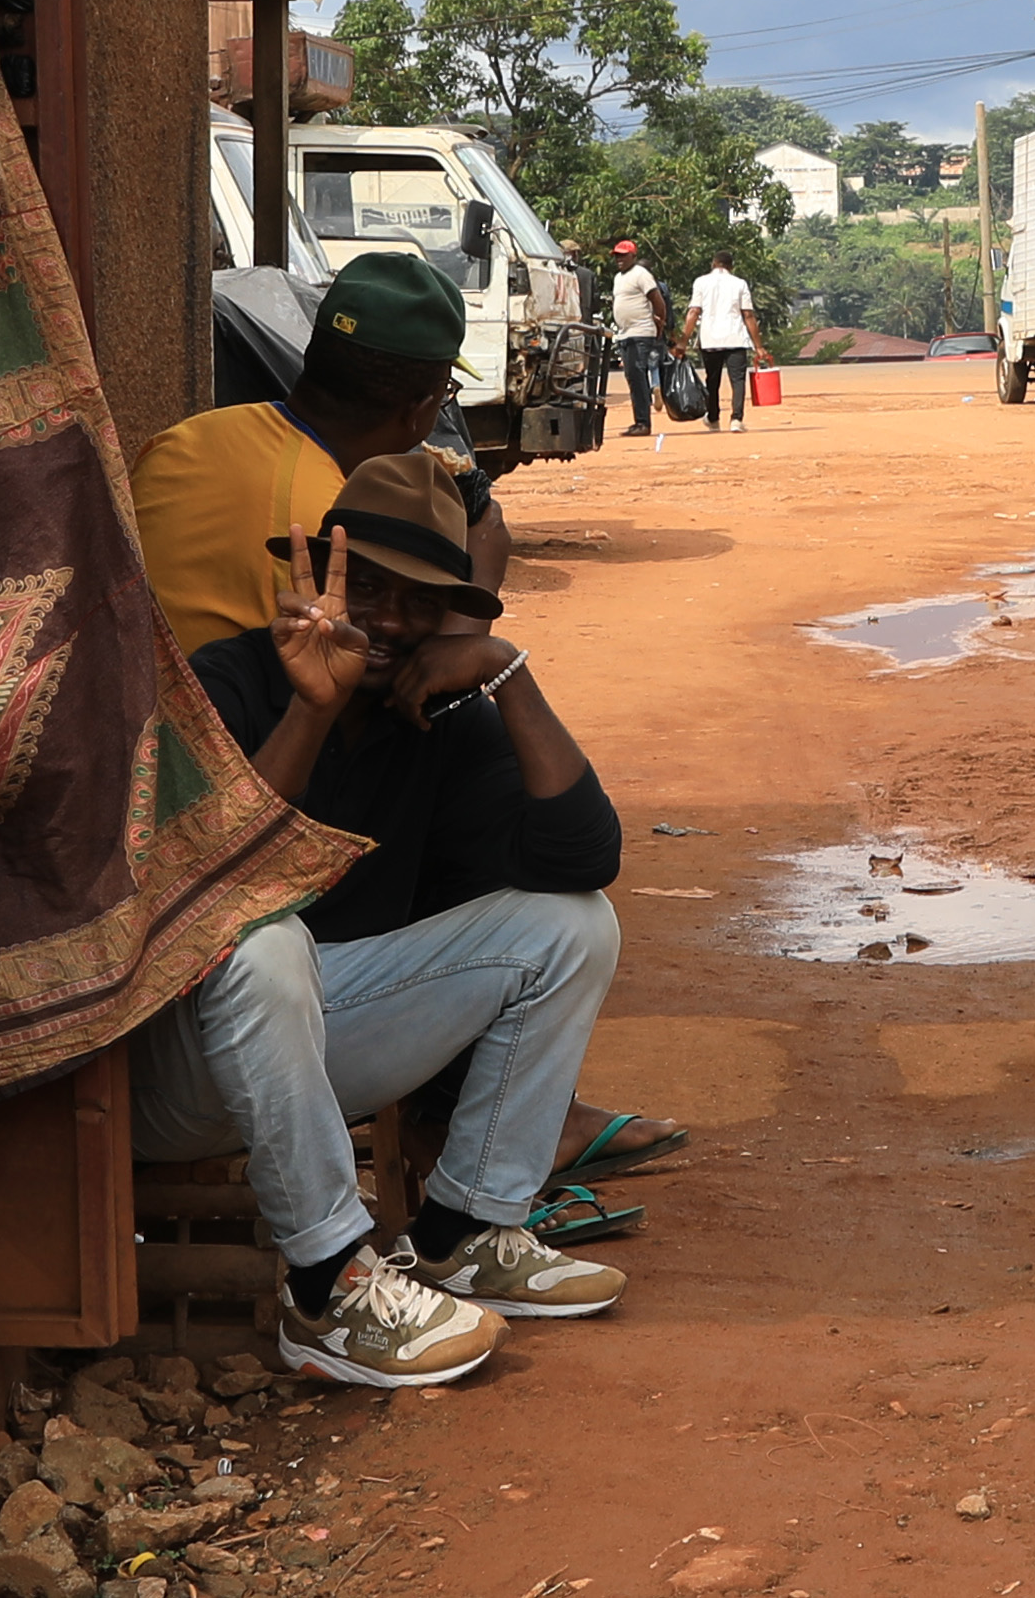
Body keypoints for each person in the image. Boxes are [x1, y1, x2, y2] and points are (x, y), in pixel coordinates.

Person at [130, 452, 628, 1390]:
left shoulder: (435, 714)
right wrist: (311, 711)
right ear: (316, 576)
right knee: (266, 939)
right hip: (171, 1062)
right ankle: (327, 1287)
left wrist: (507, 673)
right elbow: (215, 884)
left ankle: (466, 1230)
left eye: (420, 601)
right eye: (368, 589)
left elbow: (583, 856)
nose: (391, 621)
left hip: (314, 1051)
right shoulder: (228, 679)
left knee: (575, 925)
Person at [134, 246, 506, 660]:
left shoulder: (181, 440)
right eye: (446, 393)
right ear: (420, 409)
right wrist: (484, 565)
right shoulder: (336, 532)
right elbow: (401, 685)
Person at [687, 246, 764, 430]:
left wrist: (683, 341)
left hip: (710, 338)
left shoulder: (701, 282)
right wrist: (758, 346)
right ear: (731, 266)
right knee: (737, 380)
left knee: (712, 380)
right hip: (735, 337)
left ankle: (713, 418)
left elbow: (694, 311)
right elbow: (748, 315)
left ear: (713, 264)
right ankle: (736, 419)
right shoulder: (740, 284)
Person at [604, 238, 671, 438]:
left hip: (640, 332)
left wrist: (659, 323)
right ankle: (639, 420)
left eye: (623, 256)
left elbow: (658, 301)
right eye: (616, 256)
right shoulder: (619, 277)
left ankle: (643, 422)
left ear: (633, 256)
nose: (619, 259)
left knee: (637, 376)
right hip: (626, 334)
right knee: (632, 377)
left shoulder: (641, 274)